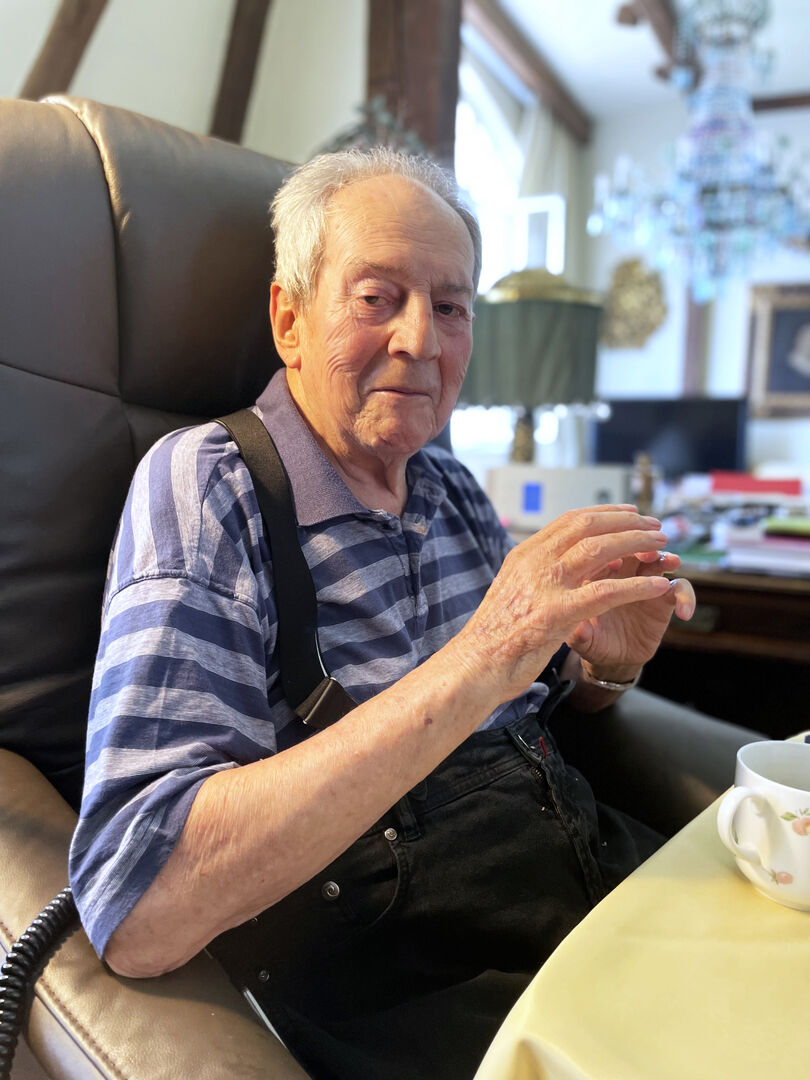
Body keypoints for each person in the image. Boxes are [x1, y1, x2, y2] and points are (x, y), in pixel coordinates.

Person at [69, 148, 696, 1080]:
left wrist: (608, 664)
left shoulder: (454, 489)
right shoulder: (211, 484)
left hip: (577, 882)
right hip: (413, 974)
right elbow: (139, 897)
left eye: (450, 308)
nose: (420, 341)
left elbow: (544, 706)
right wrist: (491, 648)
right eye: (377, 298)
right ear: (289, 319)